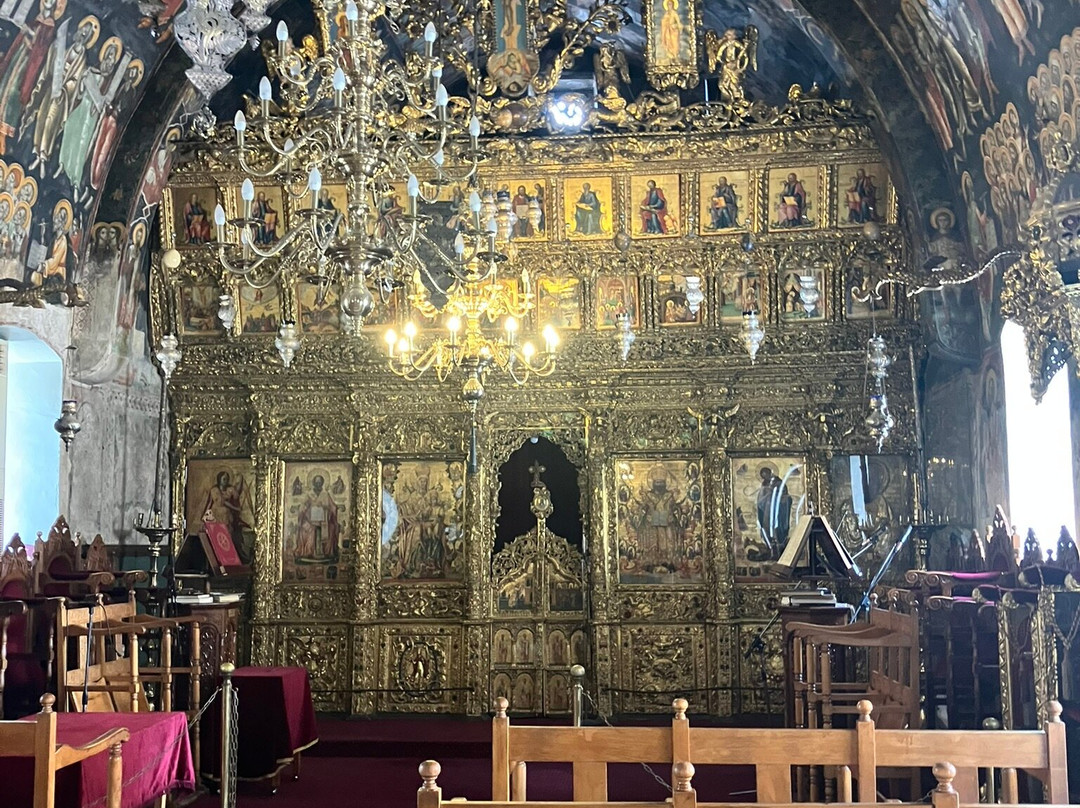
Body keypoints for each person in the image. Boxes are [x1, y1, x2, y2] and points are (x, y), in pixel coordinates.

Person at [295, 474, 341, 560]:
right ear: (313, 484)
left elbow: (332, 507)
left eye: (320, 482)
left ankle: (327, 552)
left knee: (331, 528)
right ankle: (308, 552)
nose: (318, 484)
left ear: (322, 483)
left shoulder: (325, 494)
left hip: (324, 520)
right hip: (310, 519)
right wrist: (304, 511)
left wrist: (329, 509)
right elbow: (303, 506)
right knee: (306, 529)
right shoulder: (309, 494)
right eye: (316, 483)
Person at [755, 465, 792, 558]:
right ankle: (770, 549)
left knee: (777, 530)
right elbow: (761, 498)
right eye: (763, 476)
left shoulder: (778, 482)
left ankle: (779, 550)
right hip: (766, 510)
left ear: (770, 473)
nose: (765, 477)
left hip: (777, 511)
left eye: (766, 475)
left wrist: (773, 494)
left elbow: (784, 495)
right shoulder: (764, 484)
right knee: (767, 528)